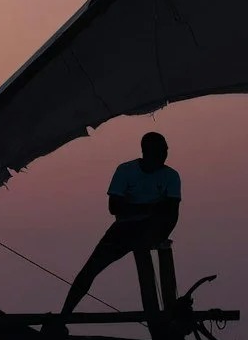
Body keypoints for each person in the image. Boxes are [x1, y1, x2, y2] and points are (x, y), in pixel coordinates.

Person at [63, 131, 181, 316]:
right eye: (161, 150)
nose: (165, 153)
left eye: (166, 149)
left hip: (151, 230)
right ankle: (64, 316)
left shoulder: (171, 176)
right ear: (147, 152)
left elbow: (172, 214)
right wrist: (151, 208)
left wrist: (158, 235)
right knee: (90, 270)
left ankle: (162, 323)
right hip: (123, 230)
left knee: (152, 274)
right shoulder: (126, 170)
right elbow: (114, 207)